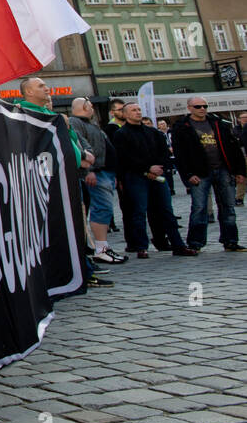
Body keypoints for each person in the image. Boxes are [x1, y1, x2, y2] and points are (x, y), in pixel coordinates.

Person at [13, 79, 110, 287]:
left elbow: (69, 146)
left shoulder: (53, 116)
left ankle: (82, 270)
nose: (46, 89)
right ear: (28, 91)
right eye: (41, 86)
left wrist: (80, 155)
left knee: (75, 227)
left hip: (67, 178)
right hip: (46, 180)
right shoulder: (24, 114)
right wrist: (79, 157)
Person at [111, 102, 194, 258]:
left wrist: (158, 168)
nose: (137, 112)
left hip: (157, 176)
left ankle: (178, 245)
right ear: (126, 114)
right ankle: (141, 247)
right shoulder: (121, 134)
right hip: (136, 177)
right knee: (139, 211)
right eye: (133, 110)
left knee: (167, 210)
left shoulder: (153, 132)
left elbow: (163, 152)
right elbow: (124, 158)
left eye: (139, 109)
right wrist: (146, 169)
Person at [171, 97, 247, 252]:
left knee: (228, 206)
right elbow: (180, 154)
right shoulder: (182, 127)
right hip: (199, 172)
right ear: (189, 108)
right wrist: (188, 174)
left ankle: (230, 240)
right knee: (199, 207)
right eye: (198, 106)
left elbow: (234, 148)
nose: (202, 109)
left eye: (205, 106)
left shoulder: (218, 123)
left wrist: (239, 171)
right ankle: (195, 243)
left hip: (223, 169)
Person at [68, 98, 127, 266]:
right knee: (101, 208)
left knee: (105, 209)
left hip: (103, 172)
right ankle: (100, 248)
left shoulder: (90, 123)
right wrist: (88, 171)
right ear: (85, 107)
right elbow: (80, 147)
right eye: (91, 106)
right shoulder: (75, 122)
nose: (93, 108)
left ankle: (101, 247)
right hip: (94, 173)